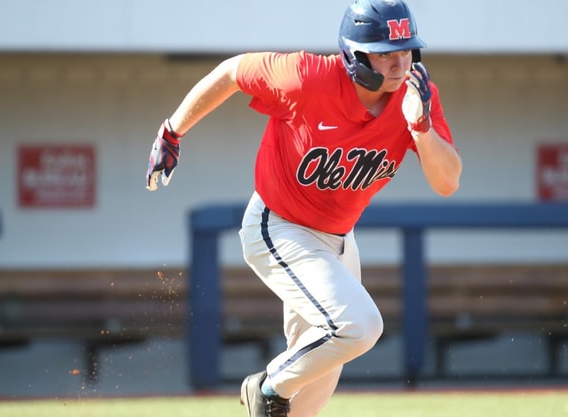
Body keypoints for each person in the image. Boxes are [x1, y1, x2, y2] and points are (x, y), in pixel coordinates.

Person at [145, 0, 462, 416]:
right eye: (385, 53)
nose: (400, 64)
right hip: (279, 226)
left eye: (406, 51)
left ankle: (275, 395)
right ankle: (266, 386)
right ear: (355, 54)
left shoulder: (417, 96)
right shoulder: (307, 77)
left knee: (314, 384)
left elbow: (447, 182)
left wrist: (420, 128)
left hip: (339, 241)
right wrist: (173, 131)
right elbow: (233, 72)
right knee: (359, 327)